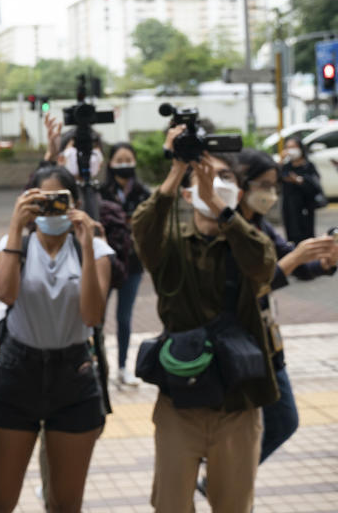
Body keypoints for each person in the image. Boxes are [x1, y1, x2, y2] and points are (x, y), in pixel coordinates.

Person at [132, 126, 278, 513]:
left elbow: (264, 264)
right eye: (203, 177)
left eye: (225, 177)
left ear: (239, 194)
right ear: (185, 192)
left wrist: (220, 206)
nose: (213, 182)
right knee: (171, 506)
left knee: (233, 506)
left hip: (238, 403)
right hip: (180, 401)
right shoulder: (171, 246)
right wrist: (177, 169)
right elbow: (142, 231)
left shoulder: (248, 241)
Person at [0, 165, 113, 513]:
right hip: (18, 370)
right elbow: (6, 294)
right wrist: (15, 224)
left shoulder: (95, 249)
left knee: (65, 505)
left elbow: (92, 316)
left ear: (75, 203)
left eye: (59, 201)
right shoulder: (16, 244)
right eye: (43, 202)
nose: (51, 210)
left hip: (74, 373)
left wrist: (85, 244)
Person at [233, 149, 337, 465]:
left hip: (267, 343)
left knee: (282, 421)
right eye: (263, 185)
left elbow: (300, 267)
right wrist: (295, 258)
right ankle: (227, 479)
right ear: (242, 185)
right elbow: (252, 286)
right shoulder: (228, 230)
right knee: (272, 422)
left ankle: (228, 479)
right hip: (240, 344)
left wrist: (325, 261)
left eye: (274, 185)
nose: (271, 193)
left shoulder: (262, 227)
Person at [100, 142, 151, 386]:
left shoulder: (143, 193)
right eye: (119, 160)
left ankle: (122, 367)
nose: (124, 165)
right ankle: (100, 365)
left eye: (128, 159)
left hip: (133, 264)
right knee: (97, 317)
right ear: (110, 164)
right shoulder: (101, 192)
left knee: (124, 317)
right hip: (106, 262)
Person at [280, 135, 324, 244]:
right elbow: (275, 179)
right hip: (289, 207)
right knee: (292, 236)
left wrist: (299, 180)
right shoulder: (286, 166)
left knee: (306, 237)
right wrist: (280, 162)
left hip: (305, 207)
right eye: (288, 147)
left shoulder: (308, 166)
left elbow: (315, 185)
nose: (291, 150)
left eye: (293, 147)